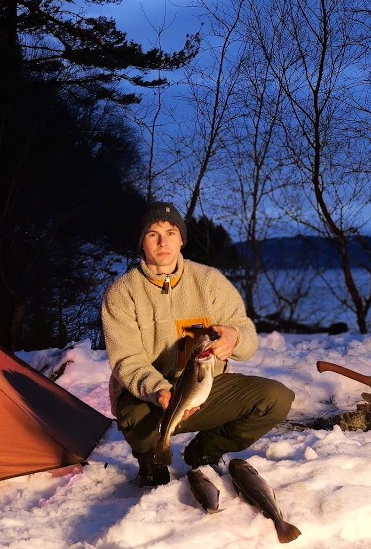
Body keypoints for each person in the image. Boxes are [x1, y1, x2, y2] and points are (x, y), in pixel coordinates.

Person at [101, 202, 294, 487]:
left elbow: (246, 335)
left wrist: (234, 337)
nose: (163, 241)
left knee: (276, 399)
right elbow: (126, 359)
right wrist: (160, 391)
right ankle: (152, 459)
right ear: (141, 242)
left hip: (203, 386)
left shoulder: (209, 281)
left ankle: (205, 451)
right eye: (153, 234)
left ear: (182, 239)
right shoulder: (122, 292)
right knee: (133, 417)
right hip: (150, 394)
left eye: (170, 232)